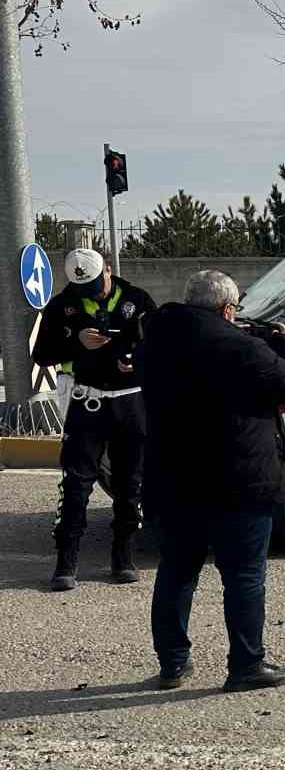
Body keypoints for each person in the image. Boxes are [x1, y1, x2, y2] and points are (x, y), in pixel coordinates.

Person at [138, 270, 285, 691]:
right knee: (244, 575)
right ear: (228, 309)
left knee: (177, 573)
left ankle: (173, 664)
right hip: (238, 481)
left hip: (173, 479)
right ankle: (246, 666)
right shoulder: (239, 346)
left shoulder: (155, 340)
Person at [30, 248, 156, 591]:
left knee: (130, 485)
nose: (95, 294)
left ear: (108, 270)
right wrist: (77, 344)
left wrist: (137, 361)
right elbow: (41, 354)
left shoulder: (137, 299)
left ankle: (122, 556)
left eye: (98, 285)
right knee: (75, 485)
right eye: (85, 290)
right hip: (88, 404)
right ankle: (66, 562)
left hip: (131, 404)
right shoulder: (61, 306)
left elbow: (160, 345)